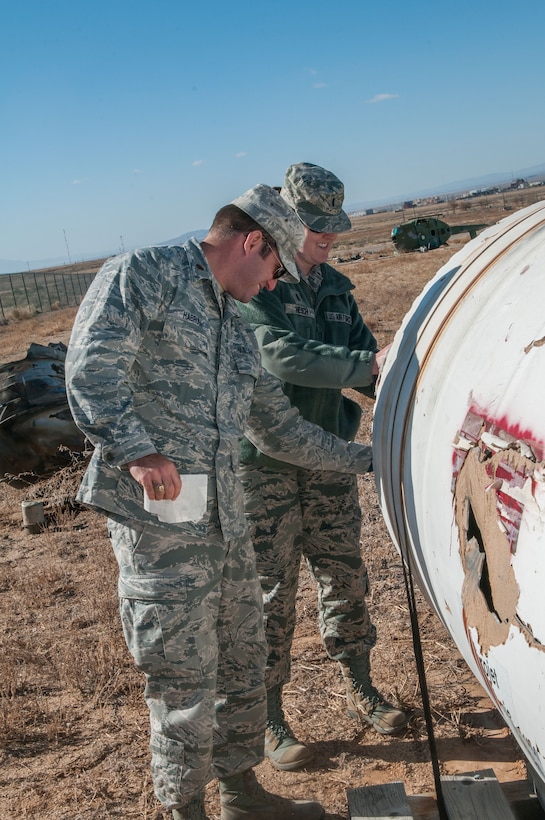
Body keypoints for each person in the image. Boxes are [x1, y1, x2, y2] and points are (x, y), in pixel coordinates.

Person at [65, 183, 376, 820]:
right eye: (272, 268)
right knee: (181, 674)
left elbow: (279, 431)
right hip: (162, 526)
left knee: (241, 660)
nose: (272, 286)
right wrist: (137, 449)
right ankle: (187, 809)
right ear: (251, 241)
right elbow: (91, 367)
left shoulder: (235, 328)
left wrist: (369, 458)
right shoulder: (145, 274)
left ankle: (242, 795)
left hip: (227, 523)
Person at [238, 164, 407, 773]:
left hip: (329, 459)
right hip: (266, 467)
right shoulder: (256, 288)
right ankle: (269, 718)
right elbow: (283, 358)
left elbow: (371, 366)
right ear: (283, 226)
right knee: (271, 592)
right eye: (317, 231)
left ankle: (363, 686)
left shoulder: (335, 288)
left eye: (334, 231)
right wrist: (366, 367)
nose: (327, 242)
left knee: (345, 575)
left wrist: (402, 406)